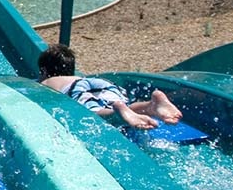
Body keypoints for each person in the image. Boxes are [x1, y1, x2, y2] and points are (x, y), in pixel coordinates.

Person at [37, 44, 182, 130]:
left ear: (43, 70)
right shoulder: (79, 77)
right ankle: (151, 105)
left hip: (77, 89)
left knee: (94, 114)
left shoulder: (48, 82)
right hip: (103, 83)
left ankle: (118, 113)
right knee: (123, 105)